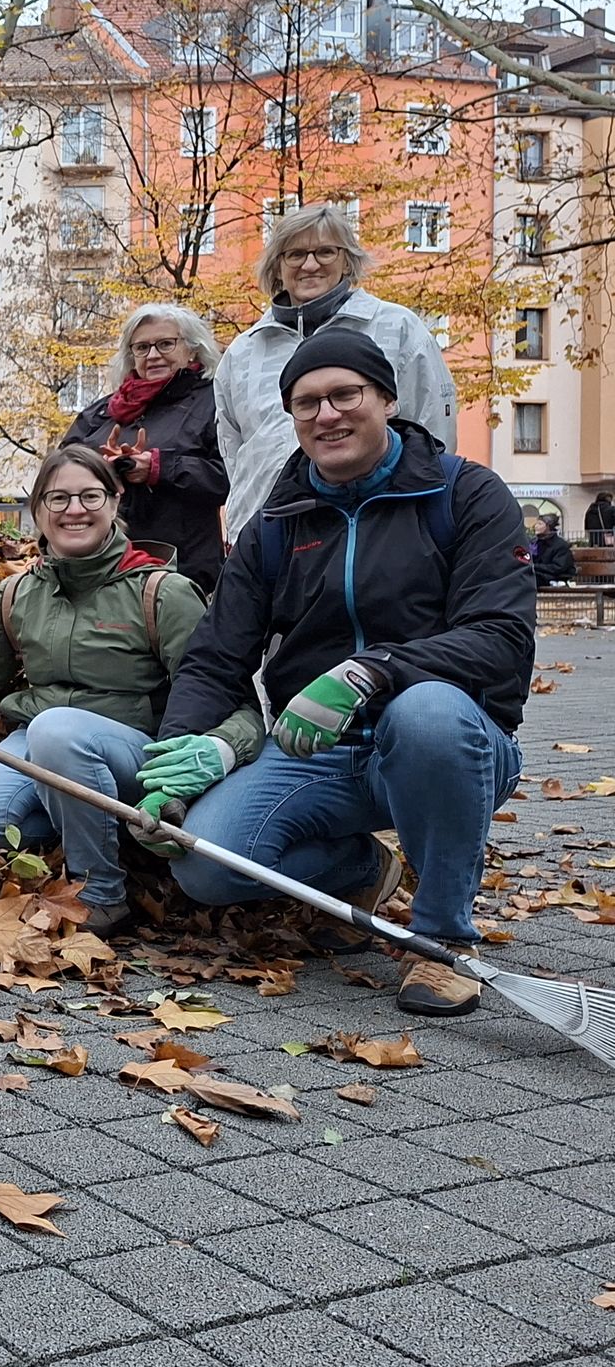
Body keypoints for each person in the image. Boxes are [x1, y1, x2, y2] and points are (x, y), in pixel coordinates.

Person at [147, 329, 533, 1016]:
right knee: (207, 865)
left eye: (344, 394)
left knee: (429, 715)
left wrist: (374, 670)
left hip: (447, 747)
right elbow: (217, 654)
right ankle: (361, 868)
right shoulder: (279, 520)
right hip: (315, 750)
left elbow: (500, 639)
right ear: (291, 418)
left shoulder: (466, 495)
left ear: (385, 398)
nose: (327, 415)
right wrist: (176, 760)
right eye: (306, 403)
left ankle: (443, 942)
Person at [0, 446, 261, 935]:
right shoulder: (19, 594)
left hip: (135, 751)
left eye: (89, 496)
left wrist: (221, 750)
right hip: (42, 741)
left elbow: (221, 690)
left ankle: (101, 893)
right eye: (58, 499)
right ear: (37, 510)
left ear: (116, 501)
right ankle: (113, 835)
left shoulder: (161, 592)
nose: (74, 510)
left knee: (57, 731)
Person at [213, 203, 456, 538]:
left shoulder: (397, 329)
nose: (310, 264)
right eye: (295, 254)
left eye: (325, 251)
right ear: (278, 267)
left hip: (375, 529)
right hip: (267, 532)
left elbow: (432, 435)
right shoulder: (243, 351)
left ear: (347, 260)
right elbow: (234, 452)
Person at [61, 304, 228, 591]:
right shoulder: (103, 411)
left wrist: (157, 468)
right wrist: (103, 466)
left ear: (192, 349)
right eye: (142, 347)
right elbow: (61, 468)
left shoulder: (216, 402)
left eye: (165, 344)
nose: (153, 355)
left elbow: (231, 476)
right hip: (100, 568)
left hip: (181, 571)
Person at [531, 512, 576, 587]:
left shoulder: (560, 545)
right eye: (536, 524)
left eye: (540, 524)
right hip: (540, 574)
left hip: (555, 576)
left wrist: (534, 566)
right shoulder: (536, 542)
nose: (536, 526)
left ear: (549, 526)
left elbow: (558, 567)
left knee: (528, 580)